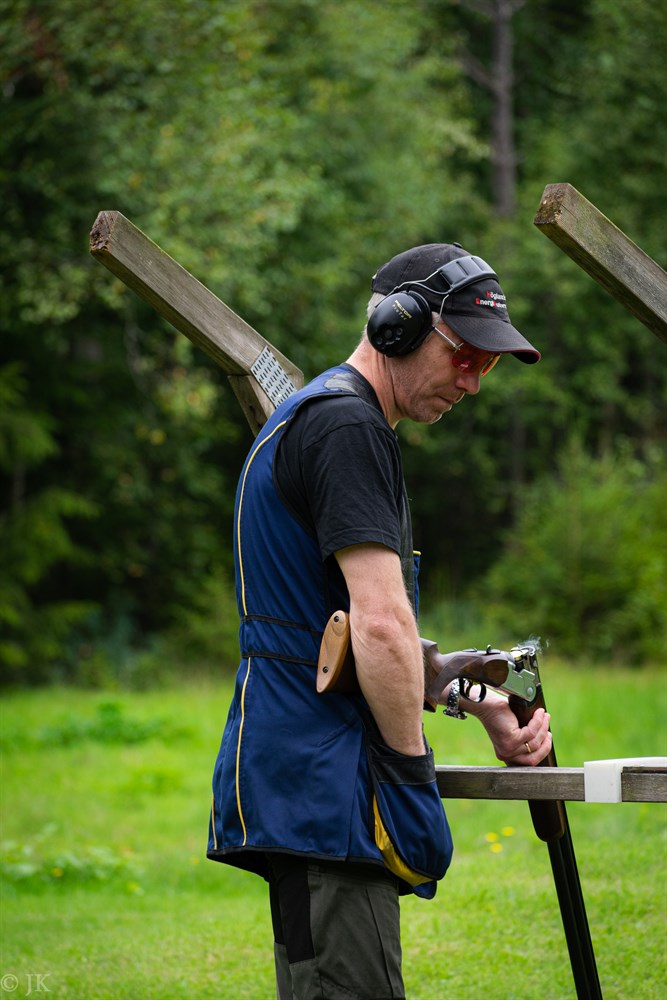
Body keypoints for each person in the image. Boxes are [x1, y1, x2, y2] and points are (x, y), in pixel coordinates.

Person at [207, 242, 553, 1000]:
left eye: (489, 366)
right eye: (465, 355)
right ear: (398, 326)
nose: (473, 380)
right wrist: (406, 769)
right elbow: (380, 627)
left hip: (309, 779)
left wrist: (476, 700)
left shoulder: (331, 417)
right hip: (327, 784)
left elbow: (334, 632)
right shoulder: (348, 427)